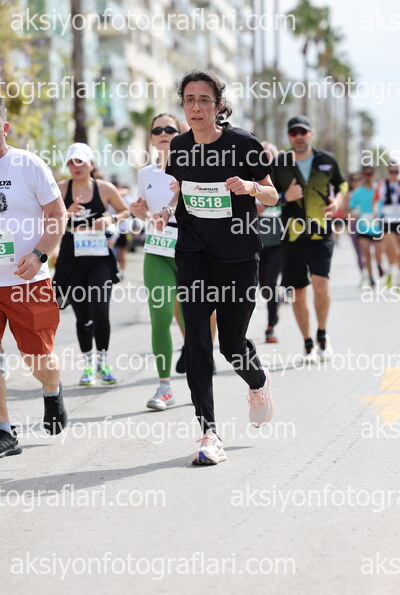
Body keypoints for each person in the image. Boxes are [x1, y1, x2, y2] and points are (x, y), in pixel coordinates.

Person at [154, 70, 278, 465]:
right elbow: (179, 192)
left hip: (238, 257)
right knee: (196, 342)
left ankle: (257, 381)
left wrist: (251, 187)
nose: (196, 107)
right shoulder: (179, 146)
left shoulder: (242, 143)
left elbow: (273, 195)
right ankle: (209, 432)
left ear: (218, 105)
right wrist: (165, 211)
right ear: (183, 105)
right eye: (189, 100)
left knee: (231, 346)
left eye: (204, 100)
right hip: (194, 253)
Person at [0, 99, 67, 458]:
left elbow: (57, 214)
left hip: (27, 281)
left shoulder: (29, 165)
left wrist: (40, 253)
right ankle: (4, 431)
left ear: (5, 128)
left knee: (38, 359)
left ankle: (52, 389)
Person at [53, 143, 129, 386]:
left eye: (81, 161)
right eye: (72, 162)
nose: (76, 166)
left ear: (91, 164)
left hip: (99, 260)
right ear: (67, 165)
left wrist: (110, 218)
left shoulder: (104, 188)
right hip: (71, 261)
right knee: (83, 317)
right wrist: (66, 212)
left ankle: (103, 363)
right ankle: (87, 366)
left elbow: (126, 211)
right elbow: (45, 219)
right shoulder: (60, 189)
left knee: (100, 312)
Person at [273, 115, 346, 363]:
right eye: (293, 133)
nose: (298, 136)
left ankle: (322, 335)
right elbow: (266, 194)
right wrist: (285, 197)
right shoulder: (280, 163)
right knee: (298, 293)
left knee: (321, 284)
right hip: (293, 235)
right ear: (289, 136)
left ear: (311, 134)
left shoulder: (326, 160)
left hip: (321, 232)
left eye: (302, 132)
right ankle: (307, 343)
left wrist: (337, 201)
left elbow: (342, 184)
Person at [130, 113, 186, 410]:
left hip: (189, 249)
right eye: (158, 130)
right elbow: (144, 212)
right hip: (157, 250)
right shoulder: (145, 174)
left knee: (191, 320)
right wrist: (140, 213)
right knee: (161, 317)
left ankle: (201, 379)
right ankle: (164, 387)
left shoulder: (194, 165)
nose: (163, 133)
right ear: (151, 138)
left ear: (180, 134)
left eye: (170, 129)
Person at [258, 141, 283, 343]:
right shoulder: (251, 176)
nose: (266, 157)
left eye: (269, 154)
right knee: (263, 286)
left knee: (272, 283)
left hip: (278, 241)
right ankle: (276, 301)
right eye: (262, 153)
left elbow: (291, 198)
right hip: (257, 242)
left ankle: (270, 327)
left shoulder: (281, 178)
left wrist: (273, 200)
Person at [348, 166, 382, 287]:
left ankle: (379, 265)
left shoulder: (379, 190)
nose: (368, 177)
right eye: (365, 174)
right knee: (366, 254)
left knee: (378, 254)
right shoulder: (357, 192)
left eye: (370, 174)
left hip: (377, 227)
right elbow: (351, 207)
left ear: (374, 175)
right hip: (363, 227)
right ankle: (371, 278)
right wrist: (353, 213)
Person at [374, 162, 400, 288]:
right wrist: (375, 213)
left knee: (398, 252)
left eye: (396, 172)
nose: (393, 174)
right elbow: (375, 200)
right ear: (388, 172)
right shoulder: (382, 185)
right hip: (387, 221)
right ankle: (390, 272)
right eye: (391, 172)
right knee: (392, 251)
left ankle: (397, 279)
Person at [343, 172, 364, 284]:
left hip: (368, 224)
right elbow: (344, 212)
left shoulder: (366, 191)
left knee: (368, 251)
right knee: (359, 252)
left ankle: (372, 272)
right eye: (353, 180)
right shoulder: (348, 194)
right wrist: (352, 212)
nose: (356, 182)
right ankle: (364, 275)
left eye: (358, 179)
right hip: (354, 224)